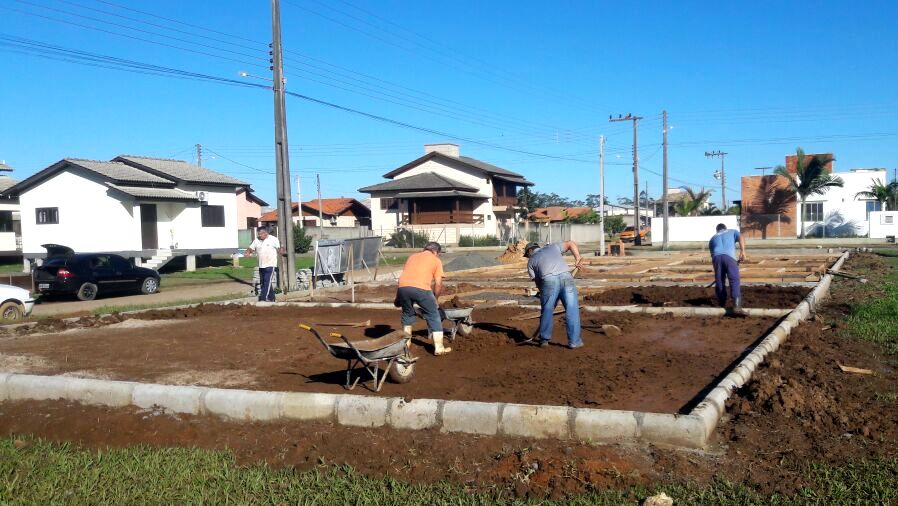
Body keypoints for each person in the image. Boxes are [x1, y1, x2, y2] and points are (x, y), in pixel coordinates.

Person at [524, 240, 584, 349]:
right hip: (566, 277)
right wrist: (578, 258)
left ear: (530, 251)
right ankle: (574, 342)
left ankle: (544, 340)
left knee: (547, 309)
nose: (528, 257)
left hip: (549, 280)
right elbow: (571, 243)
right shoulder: (553, 247)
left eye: (527, 254)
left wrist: (547, 296)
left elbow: (538, 282)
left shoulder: (531, 261)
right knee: (572, 309)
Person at [395, 242, 451, 355]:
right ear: (436, 252)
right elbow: (438, 284)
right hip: (421, 288)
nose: (438, 256)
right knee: (434, 314)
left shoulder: (412, 257)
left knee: (407, 314)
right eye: (438, 254)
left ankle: (406, 345)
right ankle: (439, 348)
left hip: (403, 288)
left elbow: (405, 277)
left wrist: (398, 298)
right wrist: (435, 299)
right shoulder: (436, 260)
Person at [709, 223, 747, 314]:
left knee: (720, 280)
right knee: (734, 279)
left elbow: (713, 256)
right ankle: (737, 307)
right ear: (725, 228)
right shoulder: (732, 231)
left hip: (717, 258)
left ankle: (721, 305)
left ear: (717, 230)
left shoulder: (712, 238)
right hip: (729, 257)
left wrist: (718, 272)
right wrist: (743, 251)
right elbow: (741, 237)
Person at [245, 226, 282, 302]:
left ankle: (263, 298)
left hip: (270, 264)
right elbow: (251, 248)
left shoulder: (273, 239)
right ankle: (272, 298)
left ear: (265, 233)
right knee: (263, 282)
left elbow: (279, 248)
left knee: (267, 281)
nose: (259, 236)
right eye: (258, 234)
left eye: (261, 234)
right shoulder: (256, 240)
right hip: (261, 264)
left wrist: (281, 250)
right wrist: (248, 252)